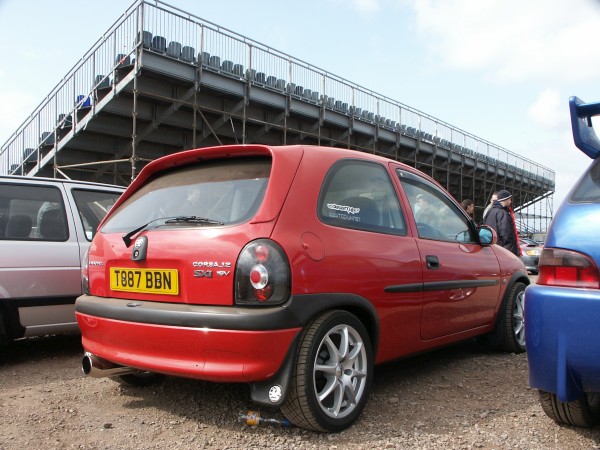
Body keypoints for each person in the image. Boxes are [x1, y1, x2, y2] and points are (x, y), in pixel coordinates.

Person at [483, 189, 521, 256]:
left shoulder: (490, 211)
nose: (510, 201)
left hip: (492, 248)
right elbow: (506, 234)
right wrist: (510, 251)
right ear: (505, 199)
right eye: (509, 199)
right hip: (503, 250)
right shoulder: (502, 213)